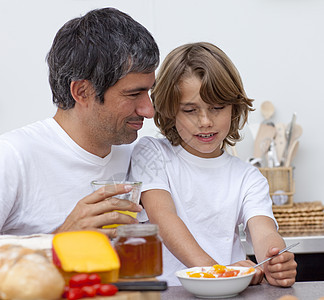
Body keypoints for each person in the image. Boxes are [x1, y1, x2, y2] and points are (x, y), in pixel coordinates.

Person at [129, 42, 297, 286]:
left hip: (229, 292)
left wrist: (276, 259)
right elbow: (162, 217)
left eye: (217, 108)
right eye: (190, 110)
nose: (205, 121)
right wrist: (218, 273)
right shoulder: (151, 152)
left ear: (234, 109)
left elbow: (263, 231)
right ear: (169, 111)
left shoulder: (248, 177)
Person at [0, 7, 159, 237]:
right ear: (82, 92)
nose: (149, 110)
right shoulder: (13, 157)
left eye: (148, 92)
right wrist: (63, 240)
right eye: (134, 94)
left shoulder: (140, 157)